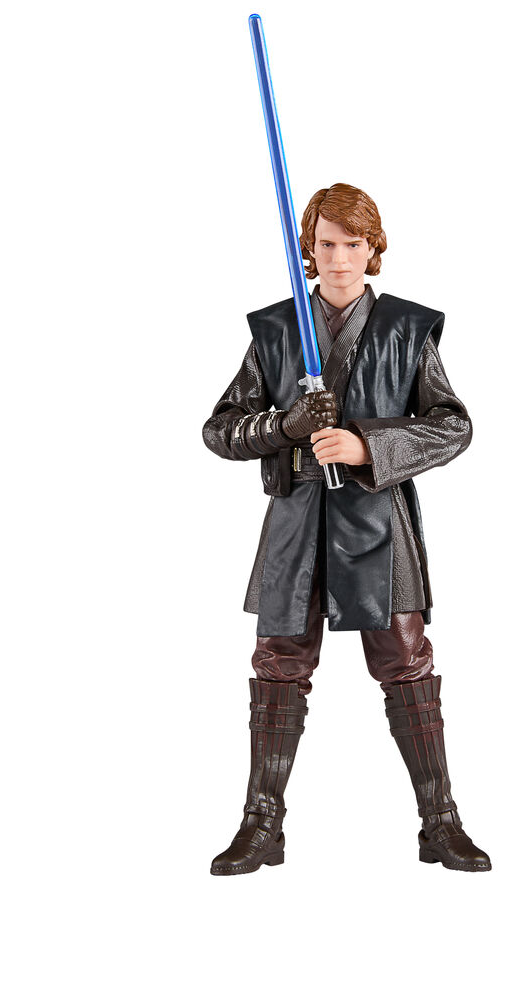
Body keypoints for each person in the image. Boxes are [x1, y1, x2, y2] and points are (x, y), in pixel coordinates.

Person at [203, 183, 490, 874]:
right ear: (308, 248)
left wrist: (368, 446)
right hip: (296, 525)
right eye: (326, 244)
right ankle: (262, 824)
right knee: (278, 664)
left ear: (373, 248)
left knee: (407, 663)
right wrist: (283, 426)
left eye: (352, 244)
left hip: (378, 528)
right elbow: (220, 430)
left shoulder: (406, 329)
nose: (338, 259)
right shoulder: (276, 330)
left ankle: (440, 822)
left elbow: (452, 426)